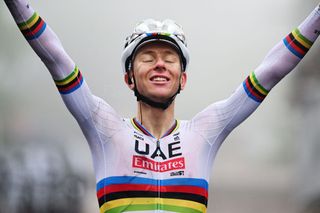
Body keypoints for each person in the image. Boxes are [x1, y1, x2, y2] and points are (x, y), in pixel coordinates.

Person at [3, 0, 320, 212]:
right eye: (147, 58)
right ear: (129, 78)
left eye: (170, 59)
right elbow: (56, 59)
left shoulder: (206, 131)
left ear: (182, 80)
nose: (160, 65)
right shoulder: (104, 127)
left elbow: (270, 70)